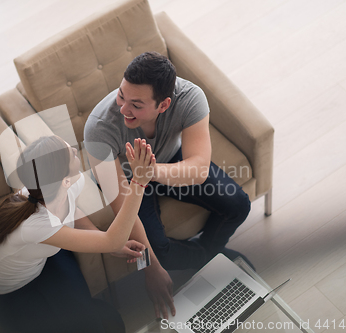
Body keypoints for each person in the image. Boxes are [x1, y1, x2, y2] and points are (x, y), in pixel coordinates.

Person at [84, 51, 252, 318]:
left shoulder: (190, 97)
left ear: (163, 105)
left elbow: (197, 169)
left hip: (167, 166)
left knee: (239, 204)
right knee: (160, 253)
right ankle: (211, 257)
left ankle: (208, 255)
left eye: (136, 105)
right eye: (121, 95)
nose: (123, 109)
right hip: (129, 180)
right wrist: (151, 269)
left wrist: (151, 171)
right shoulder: (99, 129)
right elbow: (122, 212)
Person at [0, 135, 155, 333]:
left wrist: (101, 240)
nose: (73, 148)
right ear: (62, 178)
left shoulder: (61, 185)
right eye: (69, 151)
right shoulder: (36, 224)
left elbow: (71, 210)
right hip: (10, 293)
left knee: (100, 321)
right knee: (90, 325)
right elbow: (112, 240)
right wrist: (138, 183)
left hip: (42, 259)